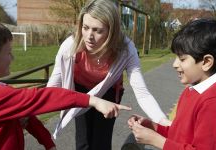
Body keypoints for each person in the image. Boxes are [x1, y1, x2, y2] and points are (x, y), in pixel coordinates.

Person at [0, 19, 131, 150]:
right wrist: (93, 100)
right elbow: (42, 97)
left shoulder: (0, 90)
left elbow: (28, 118)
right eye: (8, 53)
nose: (12, 57)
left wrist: (48, 142)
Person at [47, 0, 170, 149]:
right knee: (83, 141)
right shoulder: (70, 46)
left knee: (101, 142)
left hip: (108, 92)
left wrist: (164, 122)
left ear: (112, 31)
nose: (89, 36)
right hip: (81, 91)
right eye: (85, 28)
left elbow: (142, 93)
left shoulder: (126, 50)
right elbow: (53, 86)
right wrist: (30, 112)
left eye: (98, 30)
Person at [128, 18, 216, 149]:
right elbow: (178, 135)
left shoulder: (215, 102)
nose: (175, 64)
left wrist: (157, 141)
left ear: (206, 62)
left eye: (182, 59)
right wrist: (153, 127)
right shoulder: (192, 90)